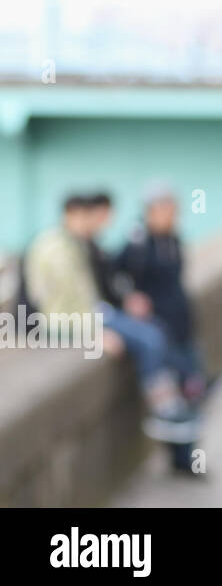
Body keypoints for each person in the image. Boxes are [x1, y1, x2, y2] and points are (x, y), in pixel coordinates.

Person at [24, 193, 199, 444]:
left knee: (155, 333)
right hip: (83, 322)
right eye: (95, 217)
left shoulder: (80, 244)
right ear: (75, 214)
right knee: (150, 338)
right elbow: (51, 313)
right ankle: (166, 409)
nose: (100, 223)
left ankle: (173, 405)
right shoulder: (56, 249)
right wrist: (92, 336)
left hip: (97, 313)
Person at [115, 183, 208, 475]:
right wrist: (128, 299)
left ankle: (188, 458)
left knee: (193, 393)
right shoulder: (138, 245)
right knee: (173, 400)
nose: (172, 215)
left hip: (183, 328)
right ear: (151, 211)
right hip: (160, 330)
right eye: (165, 209)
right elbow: (113, 278)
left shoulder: (174, 240)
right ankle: (180, 459)